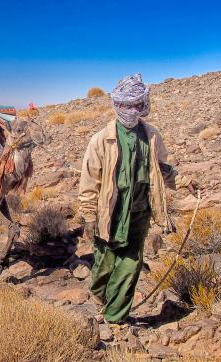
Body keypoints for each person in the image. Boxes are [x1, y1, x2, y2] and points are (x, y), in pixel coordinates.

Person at [78, 73, 199, 324]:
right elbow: (89, 182)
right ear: (117, 105)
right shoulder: (101, 139)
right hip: (110, 214)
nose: (131, 110)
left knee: (130, 265)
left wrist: (185, 181)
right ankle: (102, 297)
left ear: (142, 106)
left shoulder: (152, 135)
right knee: (104, 264)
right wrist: (89, 216)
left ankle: (115, 317)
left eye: (135, 105)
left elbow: (163, 168)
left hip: (139, 212)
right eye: (126, 105)